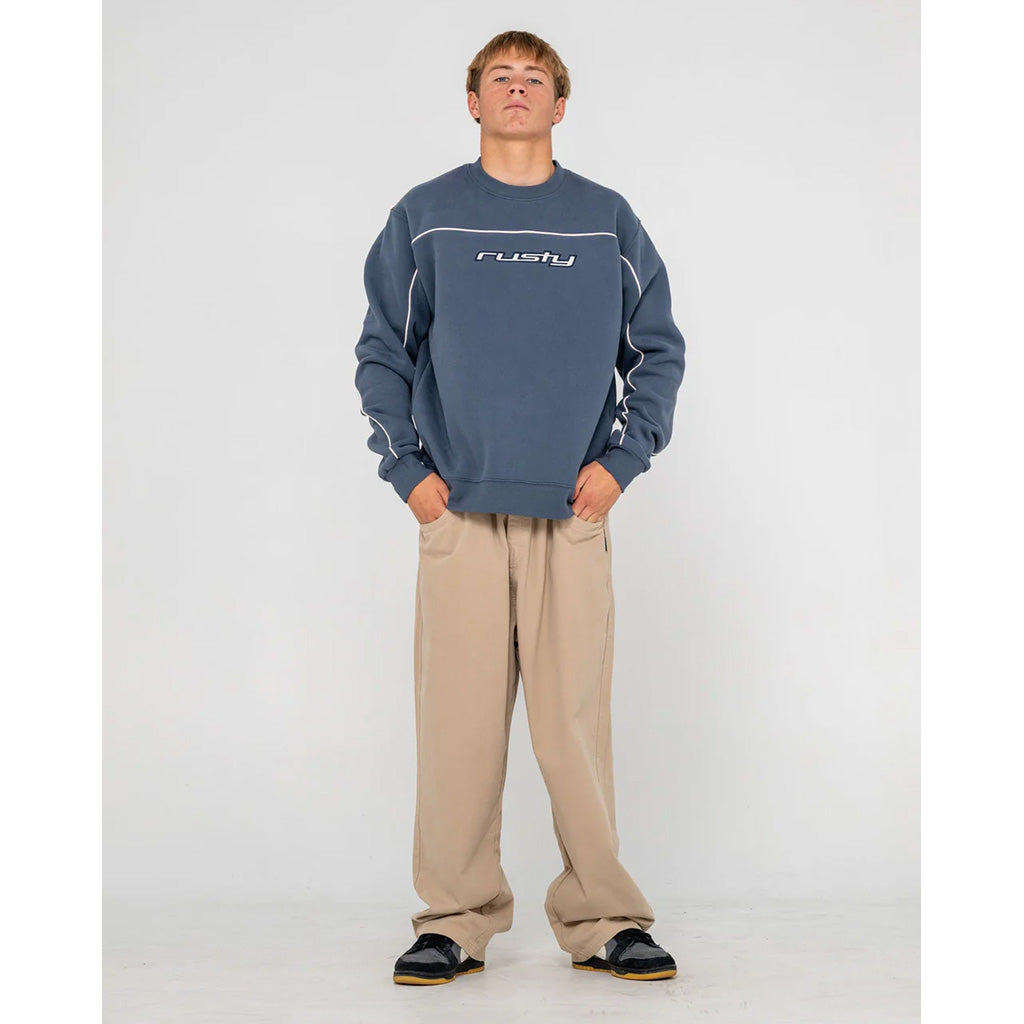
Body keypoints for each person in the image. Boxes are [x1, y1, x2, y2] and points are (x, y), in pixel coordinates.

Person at [354, 30, 687, 985]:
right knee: (457, 732)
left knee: (572, 730)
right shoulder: (425, 217)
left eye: (533, 77)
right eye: (498, 76)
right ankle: (453, 920)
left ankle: (605, 917)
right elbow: (383, 352)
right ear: (472, 101)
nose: (515, 88)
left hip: (571, 514)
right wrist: (410, 476)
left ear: (559, 104)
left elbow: (657, 351)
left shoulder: (605, 220)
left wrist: (621, 464)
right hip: (457, 513)